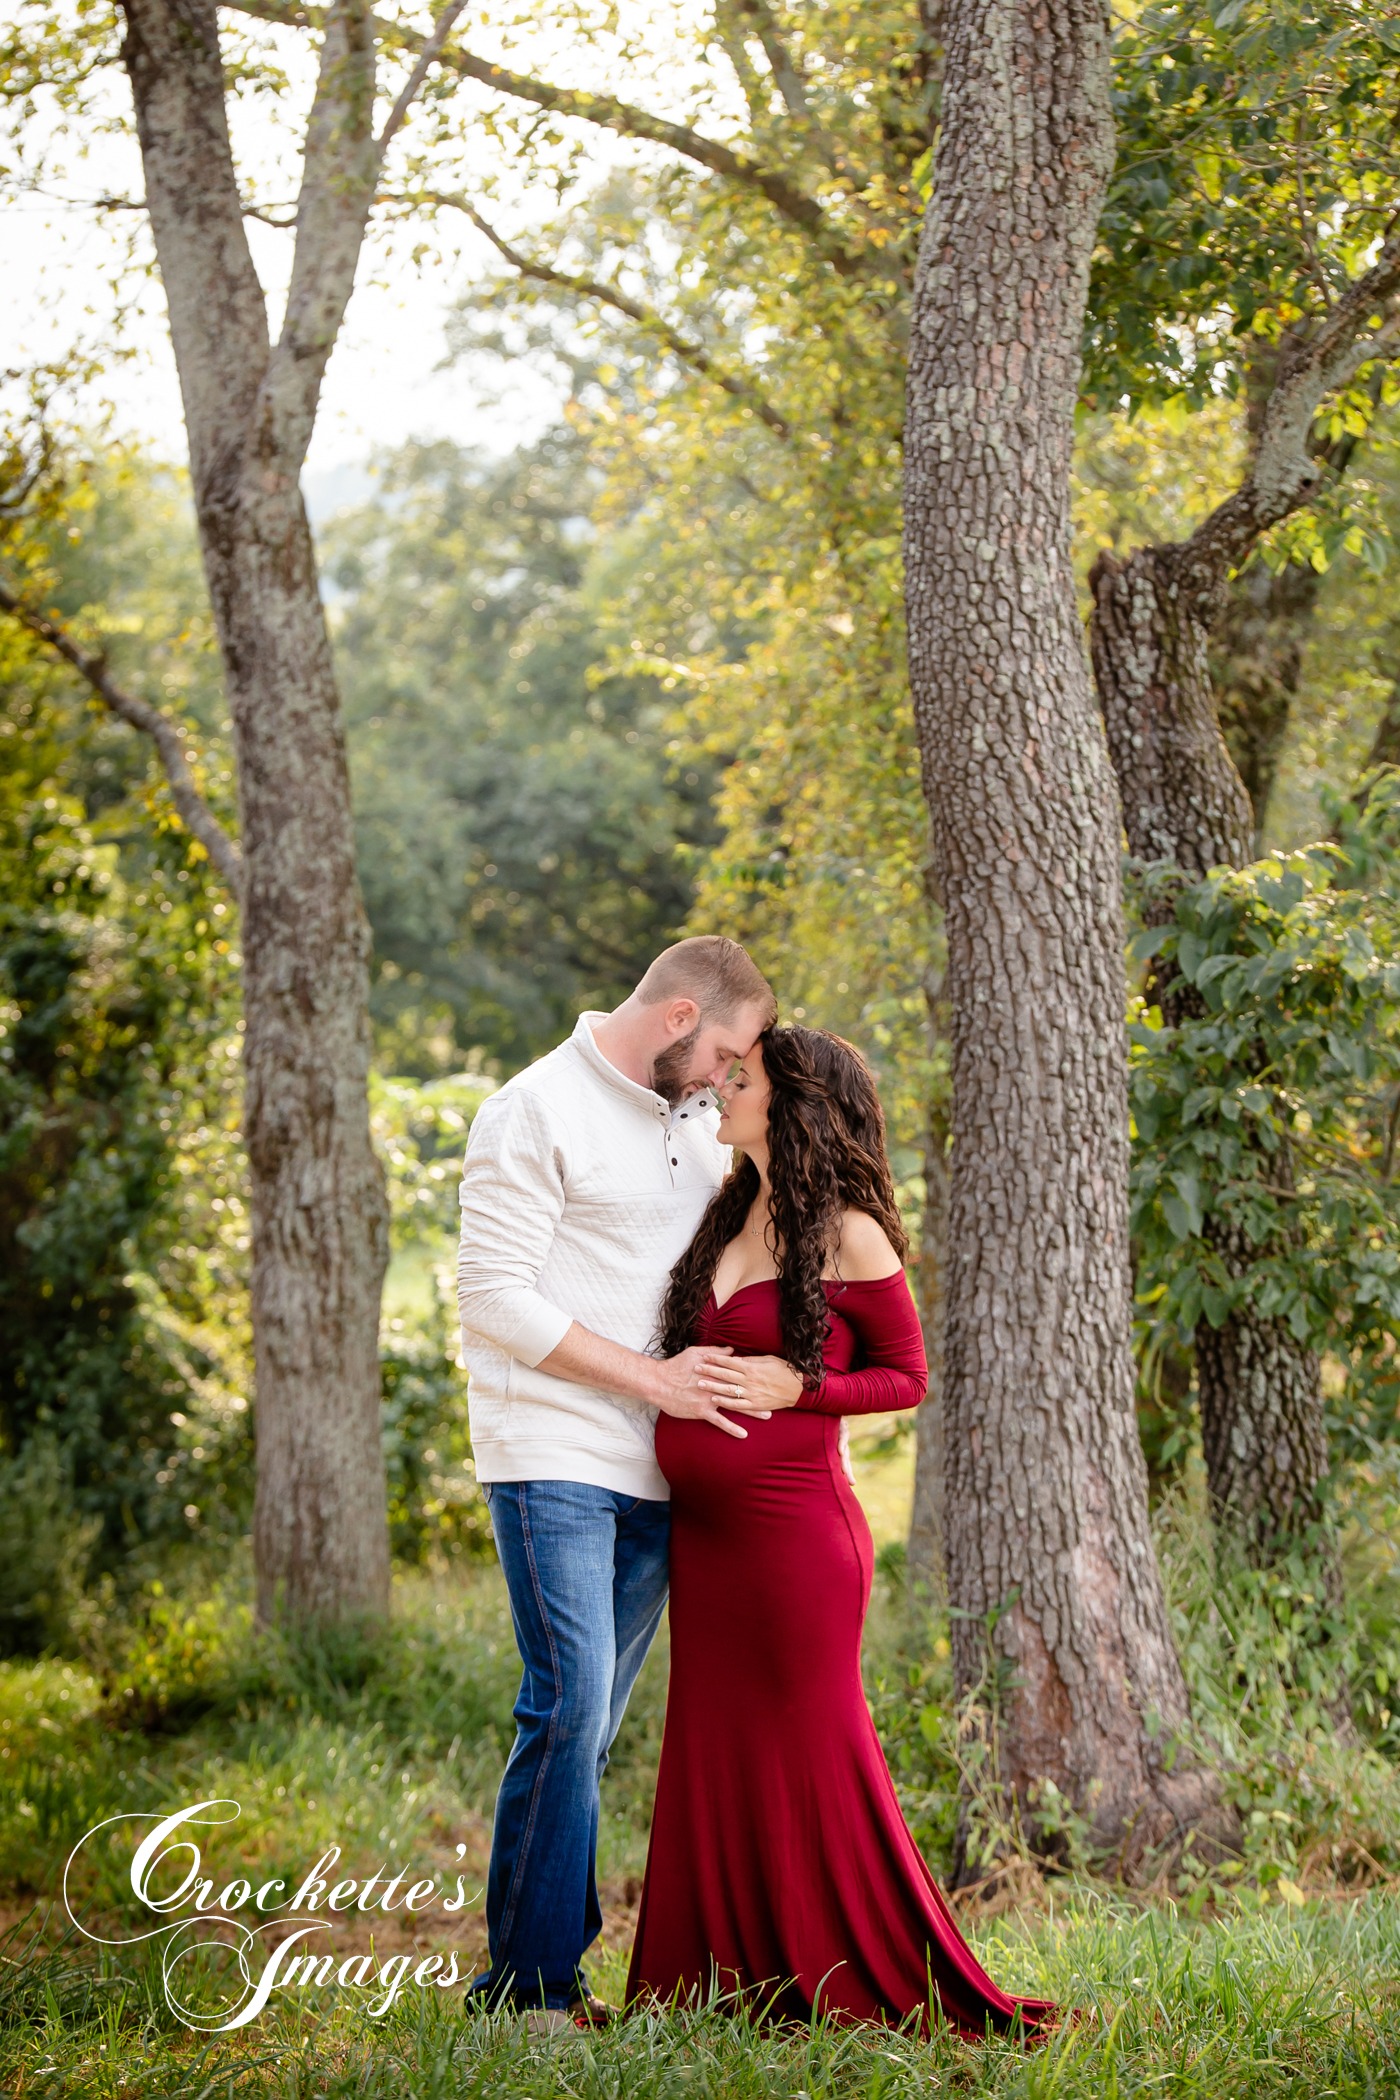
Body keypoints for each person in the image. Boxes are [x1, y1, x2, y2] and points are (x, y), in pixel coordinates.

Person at [626, 1025, 1057, 2041]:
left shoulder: (847, 1231)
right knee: (712, 1745)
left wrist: (801, 1383)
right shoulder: (728, 1209)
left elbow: (906, 1378)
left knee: (811, 1751)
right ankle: (721, 1980)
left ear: (793, 1101)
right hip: (709, 1545)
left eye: (742, 1077)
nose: (721, 1088)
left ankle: (846, 1973)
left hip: (794, 1547)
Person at [456, 936, 777, 2030]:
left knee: (584, 1733)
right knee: (567, 1706)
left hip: (660, 1464)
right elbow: (493, 1298)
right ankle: (532, 1992)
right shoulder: (530, 1109)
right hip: (550, 1452)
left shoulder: (693, 1126)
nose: (730, 1078)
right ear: (679, 1017)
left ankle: (530, 1971)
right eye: (727, 1052)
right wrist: (651, 1378)